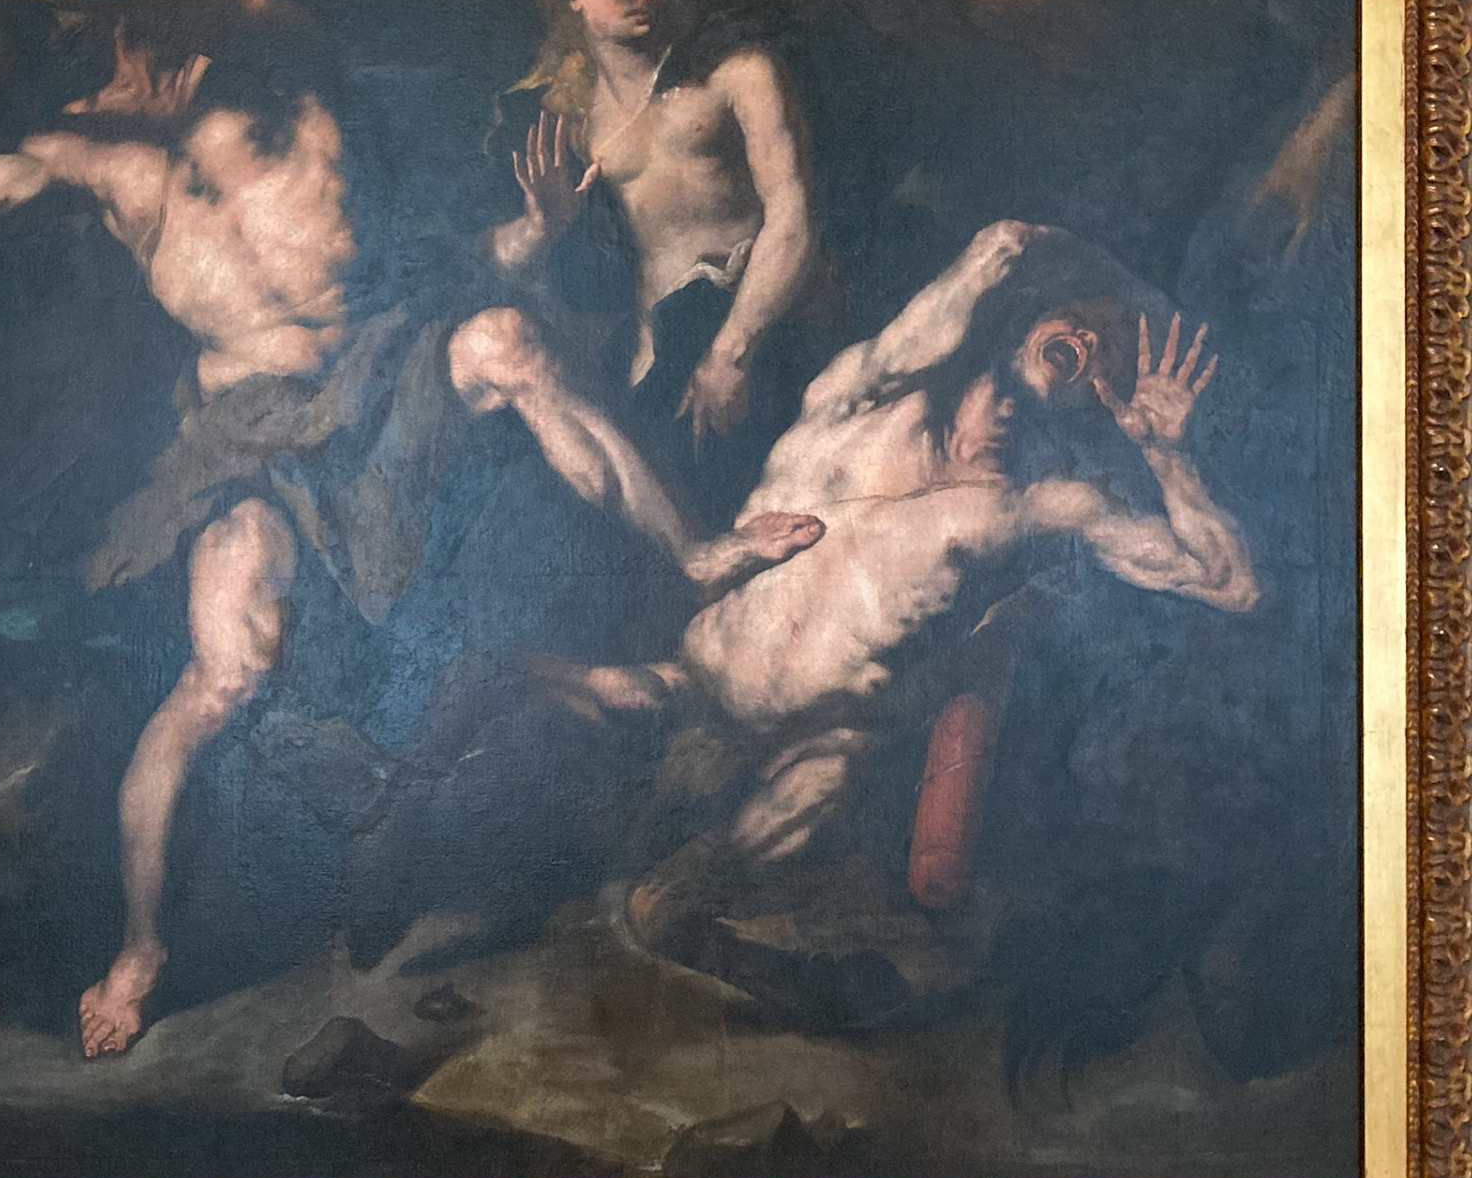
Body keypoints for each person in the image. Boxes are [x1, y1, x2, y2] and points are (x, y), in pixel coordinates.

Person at [0, 0, 826, 1058]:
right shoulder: (84, 143)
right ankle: (142, 946)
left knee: (508, 343)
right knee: (222, 677)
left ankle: (690, 551)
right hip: (251, 431)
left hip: (384, 362)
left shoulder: (280, 51)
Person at [528, 220, 1260, 939]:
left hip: (820, 734)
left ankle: (688, 884)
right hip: (697, 676)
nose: (1093, 339)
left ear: (1106, 400)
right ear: (1031, 307)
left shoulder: (1038, 506)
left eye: (1116, 352)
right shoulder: (866, 391)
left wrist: (1169, 457)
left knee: (802, 804)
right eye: (1086, 317)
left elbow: (1231, 584)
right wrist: (1121, 287)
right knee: (581, 704)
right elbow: (1005, 243)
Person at [483, 0, 843, 527]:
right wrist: (544, 225)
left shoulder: (740, 76)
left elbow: (793, 215)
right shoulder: (566, 117)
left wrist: (732, 352)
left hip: (761, 330)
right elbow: (494, 259)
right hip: (652, 350)